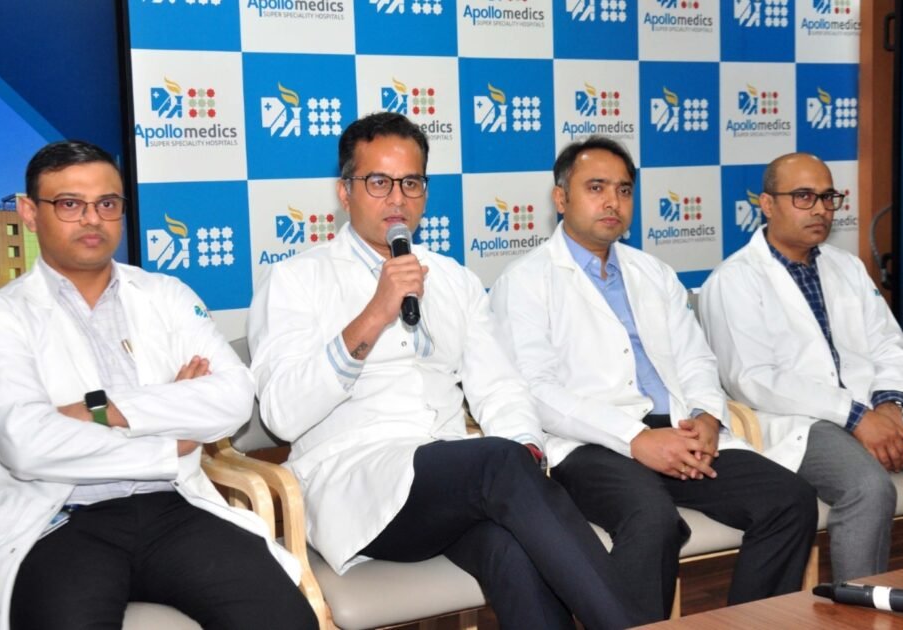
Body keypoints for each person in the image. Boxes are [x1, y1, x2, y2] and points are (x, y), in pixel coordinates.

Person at [248, 113, 640, 629]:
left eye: (411, 183)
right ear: (345, 192)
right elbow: (281, 414)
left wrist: (525, 447)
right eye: (379, 182)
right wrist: (375, 313)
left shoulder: (453, 279)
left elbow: (499, 386)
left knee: (513, 551)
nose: (397, 199)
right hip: (356, 484)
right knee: (498, 465)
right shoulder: (296, 280)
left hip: (456, 484)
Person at [0, 140, 316, 629]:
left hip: (174, 506)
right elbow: (26, 444)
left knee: (283, 619)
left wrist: (103, 411)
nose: (92, 219)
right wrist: (170, 438)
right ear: (29, 212)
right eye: (70, 204)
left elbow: (234, 397)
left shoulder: (165, 295)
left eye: (107, 203)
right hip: (61, 518)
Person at [488, 137, 817, 621]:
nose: (612, 202)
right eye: (596, 188)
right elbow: (535, 392)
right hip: (590, 443)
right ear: (561, 198)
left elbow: (696, 359)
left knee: (790, 500)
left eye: (623, 190)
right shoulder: (525, 281)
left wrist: (706, 416)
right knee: (652, 520)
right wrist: (635, 438)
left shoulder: (654, 272)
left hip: (679, 431)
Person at [699, 152, 903, 584]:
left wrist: (887, 406)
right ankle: (859, 610)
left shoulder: (847, 267)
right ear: (767, 204)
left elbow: (889, 345)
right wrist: (856, 417)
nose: (821, 209)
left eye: (828, 197)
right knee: (868, 488)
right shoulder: (733, 280)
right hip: (803, 423)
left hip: (882, 415)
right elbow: (752, 379)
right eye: (803, 197)